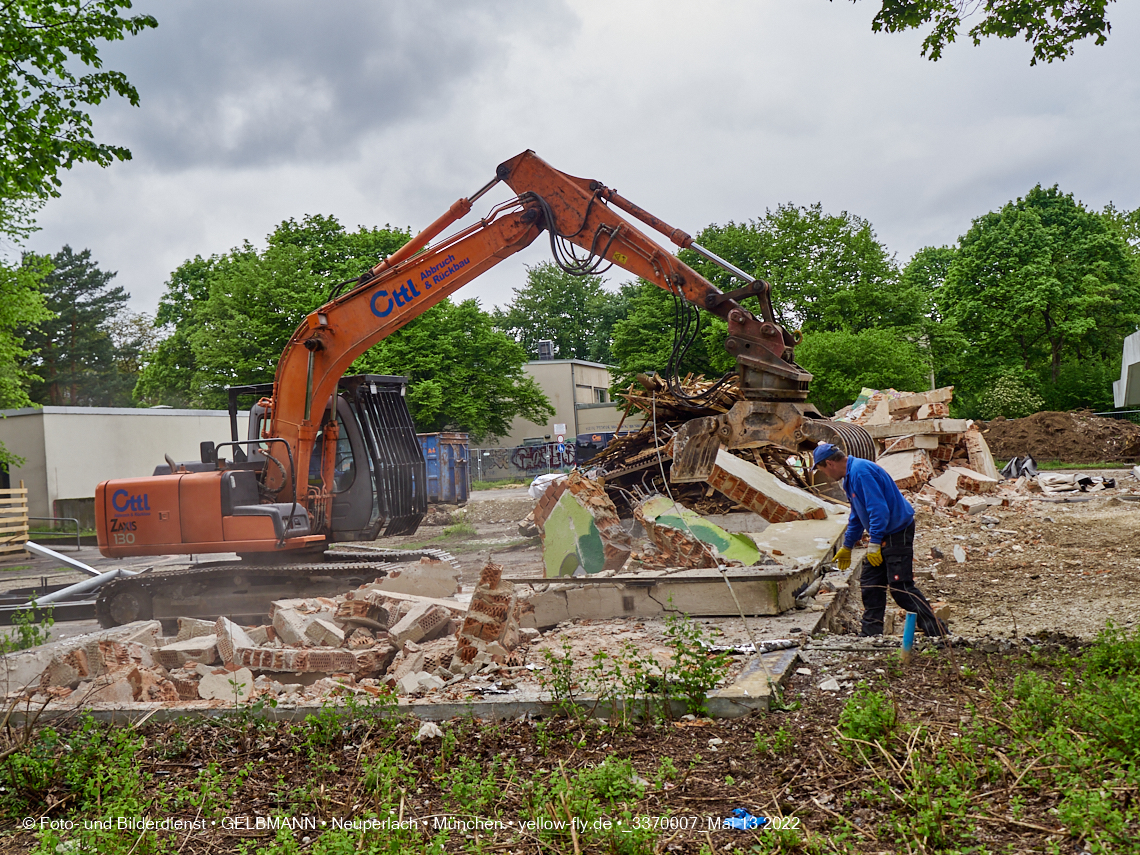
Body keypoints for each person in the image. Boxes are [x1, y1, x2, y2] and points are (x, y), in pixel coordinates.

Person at [812, 443, 948, 638]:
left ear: (829, 463)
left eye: (822, 469)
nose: (824, 475)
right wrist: (848, 545)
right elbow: (858, 515)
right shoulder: (850, 477)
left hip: (896, 531)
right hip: (885, 532)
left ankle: (938, 632)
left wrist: (874, 542)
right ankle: (870, 634)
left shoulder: (861, 473)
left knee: (901, 587)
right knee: (870, 582)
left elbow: (879, 510)